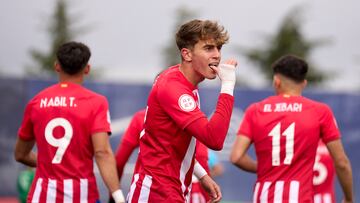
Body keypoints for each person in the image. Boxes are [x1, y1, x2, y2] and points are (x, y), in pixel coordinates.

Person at [127, 19, 237, 203]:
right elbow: (215, 139)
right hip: (157, 192)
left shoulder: (181, 81)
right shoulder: (174, 88)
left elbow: (171, 145)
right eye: (209, 48)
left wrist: (201, 174)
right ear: (187, 54)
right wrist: (227, 86)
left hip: (166, 189)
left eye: (218, 48)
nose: (217, 55)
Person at [230, 54, 353, 202]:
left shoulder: (255, 110)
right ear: (304, 83)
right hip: (300, 197)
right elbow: (341, 162)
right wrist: (348, 198)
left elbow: (236, 157)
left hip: (264, 196)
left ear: (276, 81)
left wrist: (265, 167)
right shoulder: (320, 111)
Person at [14, 41, 125, 203]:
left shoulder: (36, 102)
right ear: (87, 69)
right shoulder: (96, 102)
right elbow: (102, 153)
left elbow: (20, 154)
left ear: (57, 66)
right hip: (82, 196)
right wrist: (117, 195)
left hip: (42, 196)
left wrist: (51, 163)